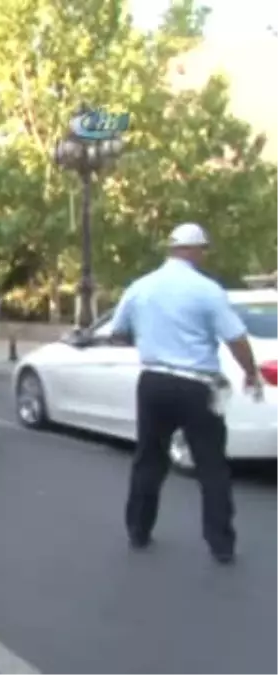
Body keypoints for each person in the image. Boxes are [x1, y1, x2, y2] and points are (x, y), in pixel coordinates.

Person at [109, 222, 261, 565]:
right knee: (211, 466)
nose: (204, 256)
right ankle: (221, 544)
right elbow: (235, 337)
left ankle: (138, 531)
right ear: (192, 250)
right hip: (197, 385)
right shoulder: (207, 290)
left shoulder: (140, 287)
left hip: (154, 382)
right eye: (203, 249)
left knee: (149, 458)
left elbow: (118, 333)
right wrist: (250, 372)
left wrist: (151, 342)